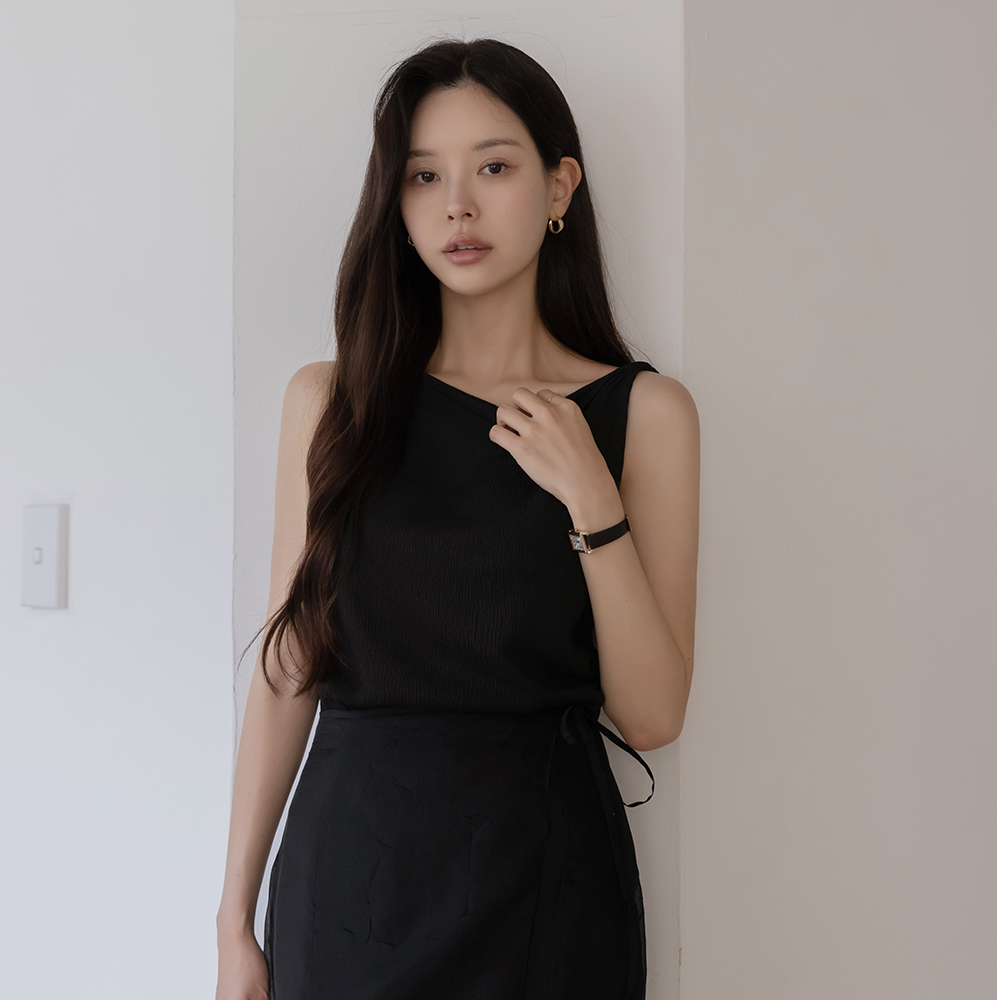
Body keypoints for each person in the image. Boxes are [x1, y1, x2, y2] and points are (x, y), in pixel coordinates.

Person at [215, 36, 699, 1000]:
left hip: (548, 889)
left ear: (560, 187)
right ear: (395, 204)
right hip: (350, 885)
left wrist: (592, 499)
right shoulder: (330, 403)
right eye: (424, 175)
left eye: (494, 168)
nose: (457, 206)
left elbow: (652, 716)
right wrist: (234, 925)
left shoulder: (645, 413)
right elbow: (288, 670)